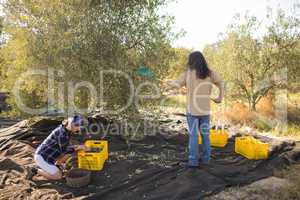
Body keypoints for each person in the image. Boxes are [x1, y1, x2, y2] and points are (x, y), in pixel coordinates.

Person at [166, 51, 225, 168]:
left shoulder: (187, 74)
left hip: (192, 111)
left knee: (193, 136)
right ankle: (206, 160)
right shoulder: (209, 73)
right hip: (205, 111)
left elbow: (176, 84)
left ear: (191, 61)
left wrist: (169, 82)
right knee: (205, 136)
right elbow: (222, 83)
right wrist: (220, 97)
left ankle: (193, 162)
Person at [26, 115, 89, 180]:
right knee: (58, 176)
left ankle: (56, 165)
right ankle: (34, 170)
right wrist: (79, 147)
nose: (79, 129)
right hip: (42, 158)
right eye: (77, 127)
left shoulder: (66, 129)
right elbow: (66, 150)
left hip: (49, 157)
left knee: (71, 150)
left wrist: (78, 147)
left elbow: (67, 147)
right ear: (72, 125)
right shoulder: (62, 134)